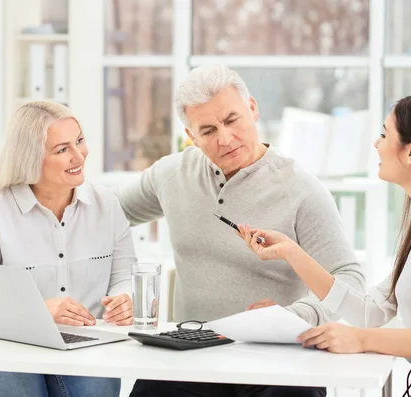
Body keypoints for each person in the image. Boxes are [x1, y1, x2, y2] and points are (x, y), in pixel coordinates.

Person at [237, 93, 411, 396]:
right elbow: (369, 312)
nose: (377, 143)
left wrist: (362, 339)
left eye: (385, 134)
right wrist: (291, 253)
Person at [117, 64, 365, 397]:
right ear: (192, 137)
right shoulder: (172, 175)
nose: (225, 138)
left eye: (232, 120)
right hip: (191, 357)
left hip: (279, 358)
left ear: (252, 109)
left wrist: (297, 314)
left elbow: (350, 278)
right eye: (207, 130)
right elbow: (105, 215)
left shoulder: (301, 190)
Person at [0, 101, 135, 397]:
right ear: (31, 159)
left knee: (96, 387)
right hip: (4, 346)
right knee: (11, 387)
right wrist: (39, 311)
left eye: (79, 141)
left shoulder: (107, 205)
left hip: (83, 345)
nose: (79, 156)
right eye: (62, 149)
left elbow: (124, 275)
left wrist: (123, 298)